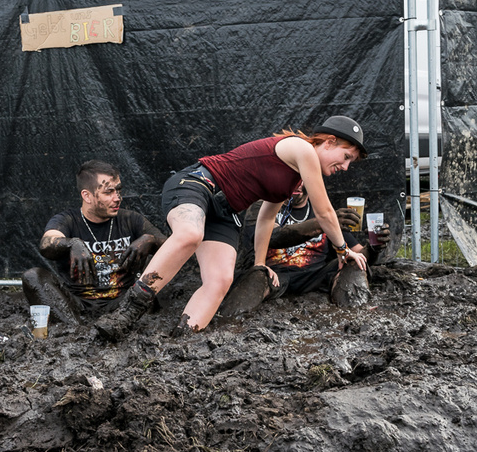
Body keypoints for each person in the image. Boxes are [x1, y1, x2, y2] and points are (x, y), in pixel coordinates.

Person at [96, 116, 369, 341]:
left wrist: (260, 265)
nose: (344, 167)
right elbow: (324, 212)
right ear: (329, 142)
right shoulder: (302, 149)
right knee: (190, 234)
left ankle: (181, 340)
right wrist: (343, 250)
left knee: (220, 280)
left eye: (349, 163)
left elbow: (265, 218)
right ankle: (128, 312)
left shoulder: (292, 178)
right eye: (345, 157)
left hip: (226, 212)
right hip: (199, 184)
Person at [22, 160, 165, 325]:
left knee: (150, 285)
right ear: (87, 195)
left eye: (118, 190)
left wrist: (150, 240)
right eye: (108, 192)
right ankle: (74, 331)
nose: (117, 198)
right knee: (32, 276)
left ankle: (121, 325)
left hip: (123, 303)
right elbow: (46, 243)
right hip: (76, 304)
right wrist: (72, 244)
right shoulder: (67, 220)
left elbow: (172, 247)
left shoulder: (130, 219)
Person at [218, 186, 391, 317]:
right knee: (257, 275)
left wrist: (375, 247)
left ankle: (356, 317)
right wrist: (321, 223)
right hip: (274, 274)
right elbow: (275, 237)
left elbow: (358, 253)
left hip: (315, 275)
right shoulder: (264, 206)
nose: (297, 184)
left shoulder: (323, 210)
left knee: (355, 263)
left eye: (301, 178)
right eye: (292, 177)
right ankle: (228, 323)